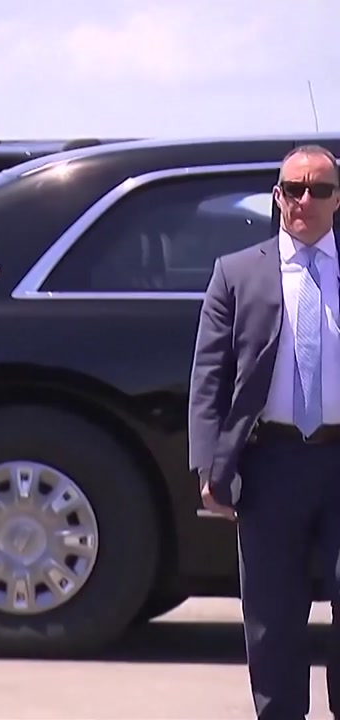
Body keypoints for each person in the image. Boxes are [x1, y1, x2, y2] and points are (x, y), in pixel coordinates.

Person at [189, 144, 340, 719]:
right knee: (273, 614)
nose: (305, 200)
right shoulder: (237, 272)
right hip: (270, 462)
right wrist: (210, 464)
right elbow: (210, 374)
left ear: (337, 199)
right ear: (277, 196)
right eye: (293, 189)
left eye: (319, 189)